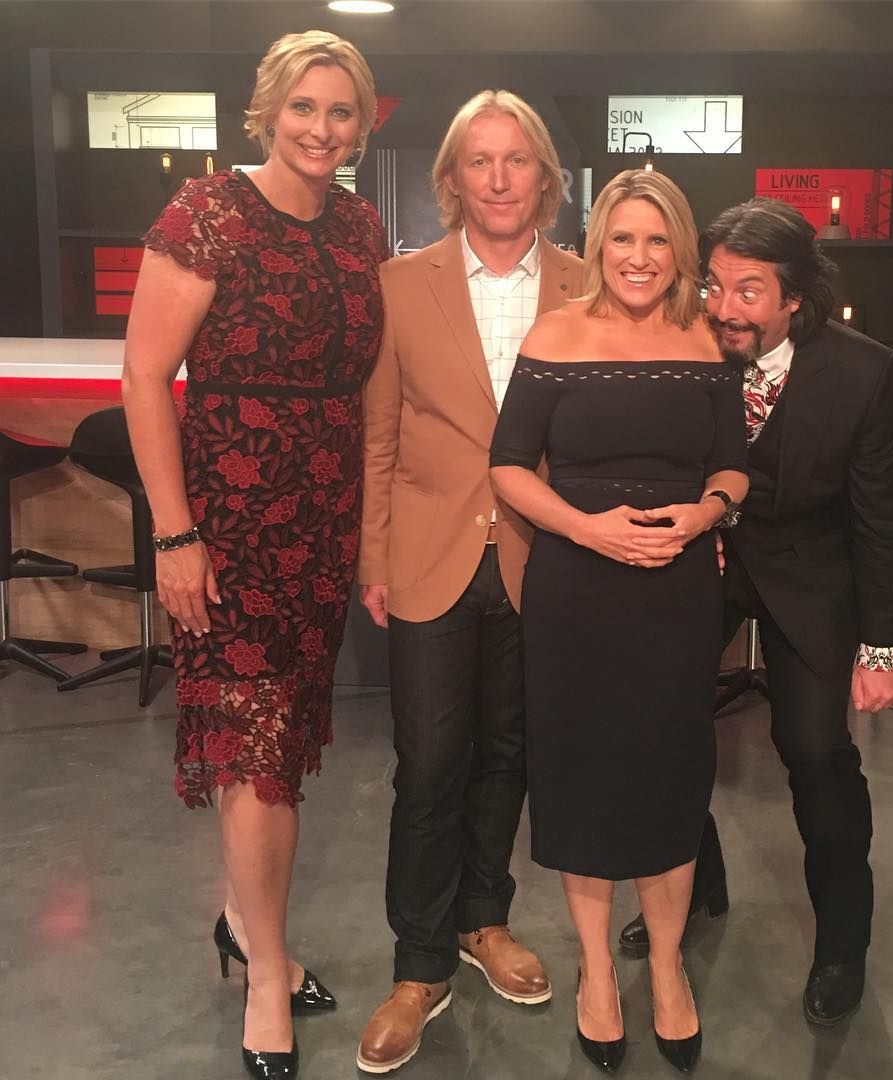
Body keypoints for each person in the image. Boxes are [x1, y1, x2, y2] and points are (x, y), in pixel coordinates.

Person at [123, 30, 384, 1079]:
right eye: (304, 107)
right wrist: (175, 534)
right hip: (227, 525)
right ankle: (268, 975)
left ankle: (244, 924)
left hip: (322, 521)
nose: (321, 128)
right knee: (255, 753)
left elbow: (370, 377)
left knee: (281, 746)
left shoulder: (359, 225)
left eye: (341, 111)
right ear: (268, 110)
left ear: (362, 124)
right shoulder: (208, 214)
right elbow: (145, 377)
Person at [618, 196, 893, 1029]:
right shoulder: (683, 348)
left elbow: (882, 520)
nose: (724, 308)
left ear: (795, 297)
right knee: (657, 728)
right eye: (714, 285)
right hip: (701, 564)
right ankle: (695, 885)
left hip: (812, 576)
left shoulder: (863, 374)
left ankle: (842, 944)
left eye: (748, 291)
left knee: (816, 751)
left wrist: (882, 649)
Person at [489, 169, 749, 1074]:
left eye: (657, 239)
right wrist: (584, 527)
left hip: (677, 596)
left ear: (680, 249)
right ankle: (598, 972)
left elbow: (733, 466)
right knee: (584, 779)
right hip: (577, 591)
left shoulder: (707, 340)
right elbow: (508, 465)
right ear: (599, 244)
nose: (639, 257)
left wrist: (706, 513)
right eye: (623, 238)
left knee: (669, 778)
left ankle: (667, 967)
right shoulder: (555, 335)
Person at [355, 90, 583, 1074]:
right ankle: (418, 965)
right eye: (479, 160)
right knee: (430, 761)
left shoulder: (585, 286)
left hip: (543, 558)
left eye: (516, 158)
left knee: (509, 753)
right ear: (451, 179)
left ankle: (484, 920)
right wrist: (371, 556)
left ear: (545, 177)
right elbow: (380, 434)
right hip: (427, 554)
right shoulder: (400, 285)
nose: (498, 178)